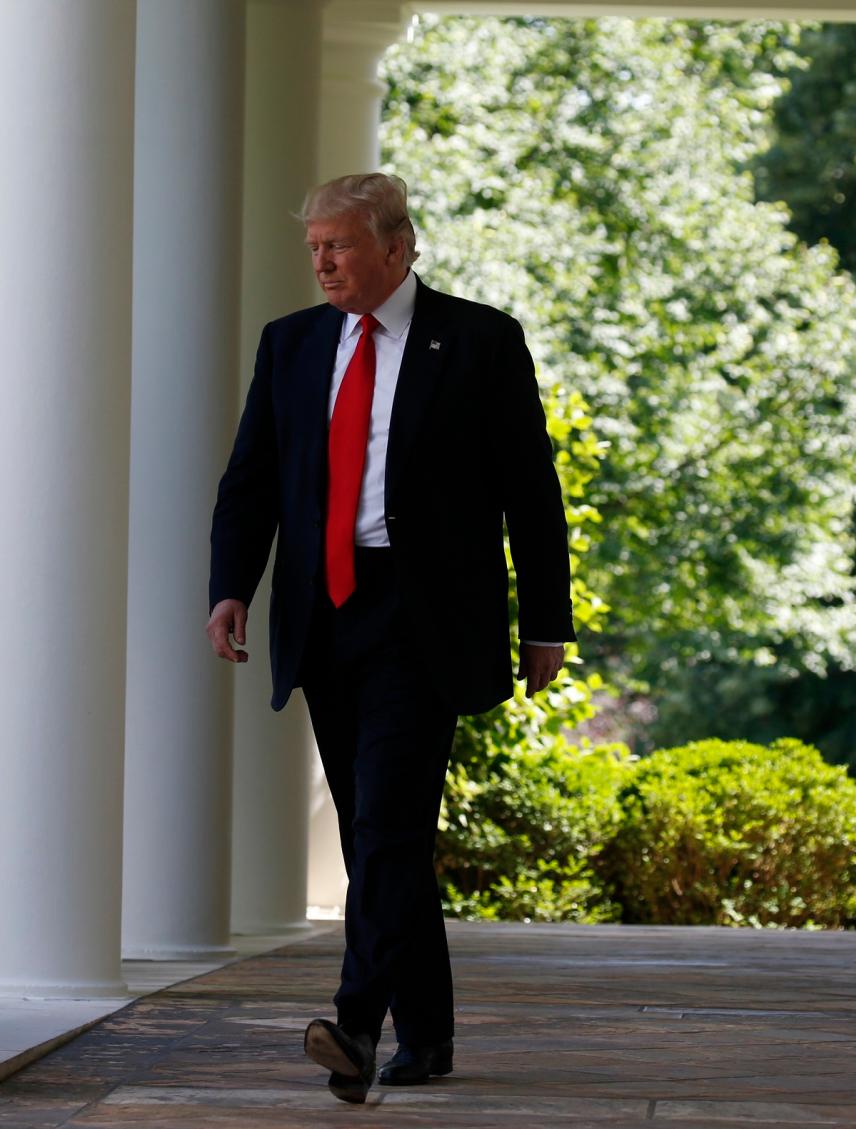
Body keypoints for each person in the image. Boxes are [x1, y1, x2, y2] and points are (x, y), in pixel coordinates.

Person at [206, 173, 574, 1104]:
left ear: (397, 248)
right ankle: (432, 1035)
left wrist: (547, 618)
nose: (322, 262)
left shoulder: (481, 341)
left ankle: (357, 1022)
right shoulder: (290, 345)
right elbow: (251, 479)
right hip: (325, 609)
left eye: (339, 244)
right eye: (314, 248)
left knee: (390, 821)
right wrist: (229, 589)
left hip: (426, 616)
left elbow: (530, 490)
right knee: (385, 833)